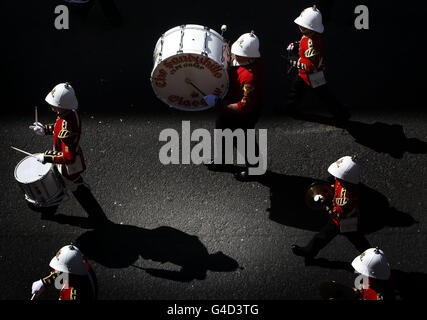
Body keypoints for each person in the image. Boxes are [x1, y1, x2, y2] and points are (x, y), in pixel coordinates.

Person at [204, 31, 265, 181]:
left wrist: (219, 103)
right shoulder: (248, 57)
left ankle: (256, 169)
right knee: (221, 129)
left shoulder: (250, 78)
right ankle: (222, 160)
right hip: (230, 102)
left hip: (244, 114)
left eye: (238, 53)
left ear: (249, 57)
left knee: (244, 140)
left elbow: (242, 107)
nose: (233, 55)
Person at [291, 155, 371, 261]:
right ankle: (369, 255)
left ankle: (370, 257)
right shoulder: (346, 181)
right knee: (357, 240)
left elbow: (336, 212)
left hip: (343, 220)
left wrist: (324, 203)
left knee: (326, 237)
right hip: (349, 217)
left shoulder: (345, 197)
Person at [283, 5, 350, 120]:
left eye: (304, 26)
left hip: (313, 74)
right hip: (305, 74)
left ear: (311, 28)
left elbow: (309, 66)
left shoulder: (312, 45)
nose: (300, 27)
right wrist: (297, 44)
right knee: (296, 91)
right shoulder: (311, 34)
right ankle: (290, 108)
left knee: (324, 95)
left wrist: (292, 60)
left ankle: (341, 114)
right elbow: (304, 40)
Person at [29, 82, 87, 192]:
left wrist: (47, 157)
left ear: (62, 106)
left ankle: (76, 187)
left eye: (54, 104)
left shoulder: (67, 130)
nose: (51, 106)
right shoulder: (70, 113)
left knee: (69, 181)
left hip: (68, 167)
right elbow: (58, 127)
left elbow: (68, 158)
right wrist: (44, 130)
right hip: (64, 153)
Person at [31, 245, 98, 300]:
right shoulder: (80, 266)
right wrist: (44, 282)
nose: (57, 270)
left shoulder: (74, 295)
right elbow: (63, 271)